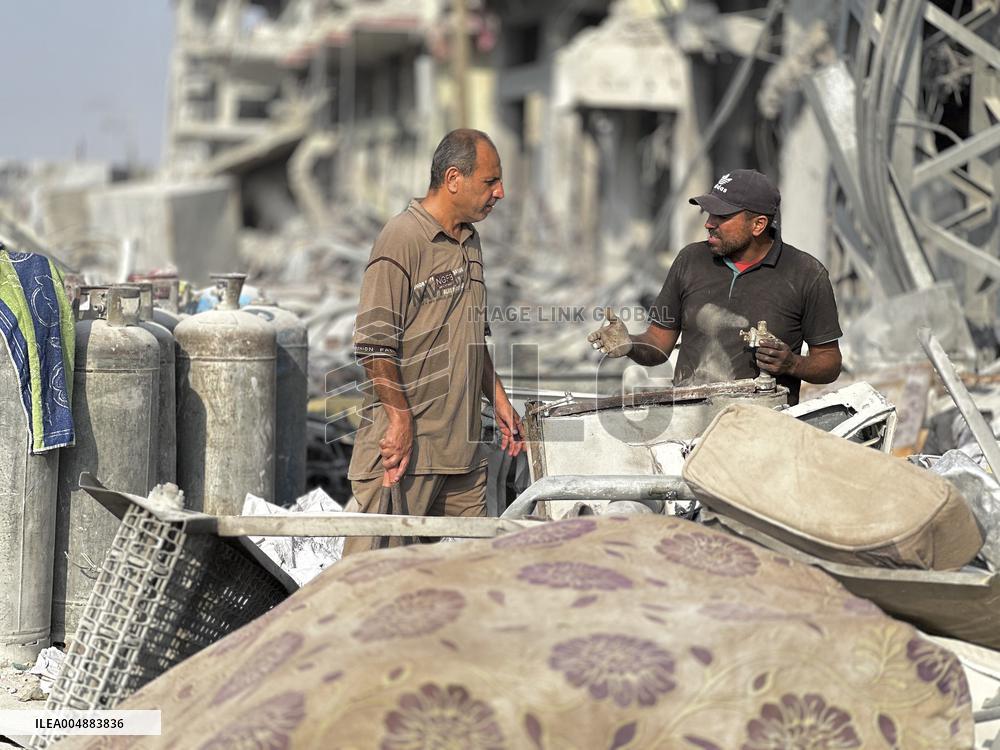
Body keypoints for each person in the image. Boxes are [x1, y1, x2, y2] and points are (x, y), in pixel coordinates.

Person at [344, 129, 523, 556]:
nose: (500, 192)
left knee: (465, 589)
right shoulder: (402, 239)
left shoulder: (470, 241)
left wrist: (498, 400)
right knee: (372, 585)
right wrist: (400, 421)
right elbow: (373, 345)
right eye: (489, 181)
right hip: (407, 458)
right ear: (454, 179)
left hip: (462, 459)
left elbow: (471, 336)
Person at [588, 169, 842, 404]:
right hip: (689, 422)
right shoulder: (690, 260)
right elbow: (658, 343)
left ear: (758, 225)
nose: (709, 223)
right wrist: (629, 344)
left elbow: (829, 362)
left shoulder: (806, 274)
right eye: (709, 214)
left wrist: (793, 364)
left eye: (722, 216)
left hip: (762, 428)